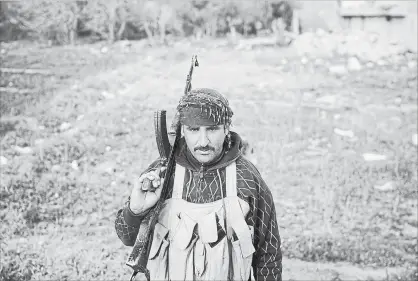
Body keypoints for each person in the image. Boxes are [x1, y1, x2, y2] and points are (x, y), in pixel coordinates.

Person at [115, 88, 282, 281]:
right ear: (183, 130)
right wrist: (136, 210)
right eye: (194, 130)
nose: (203, 141)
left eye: (212, 129)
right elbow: (126, 237)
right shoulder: (161, 174)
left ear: (226, 128)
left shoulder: (247, 178)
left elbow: (268, 255)